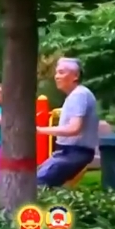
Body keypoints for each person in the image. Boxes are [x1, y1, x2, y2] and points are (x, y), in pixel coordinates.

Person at [36, 58, 99, 187]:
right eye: (56, 73)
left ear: (75, 76)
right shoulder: (76, 95)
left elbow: (73, 128)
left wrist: (39, 130)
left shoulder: (79, 95)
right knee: (35, 181)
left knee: (37, 184)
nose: (56, 77)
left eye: (61, 72)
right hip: (67, 152)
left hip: (74, 153)